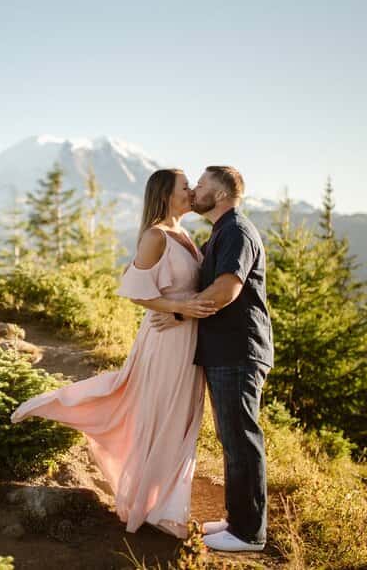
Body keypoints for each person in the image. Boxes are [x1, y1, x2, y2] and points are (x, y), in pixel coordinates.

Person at [10, 168, 215, 538]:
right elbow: (136, 291)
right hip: (167, 339)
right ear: (166, 195)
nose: (191, 192)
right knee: (164, 415)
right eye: (185, 187)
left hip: (186, 336)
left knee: (181, 417)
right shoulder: (156, 235)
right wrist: (176, 309)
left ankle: (163, 502)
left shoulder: (182, 233)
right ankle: (156, 506)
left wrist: (185, 309)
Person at [151, 165, 273, 552]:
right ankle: (238, 520)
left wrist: (178, 313)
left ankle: (249, 534)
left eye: (201, 185)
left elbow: (226, 290)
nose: (195, 191)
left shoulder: (236, 231)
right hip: (227, 350)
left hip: (239, 349)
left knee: (241, 438)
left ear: (220, 195)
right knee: (233, 437)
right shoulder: (222, 231)